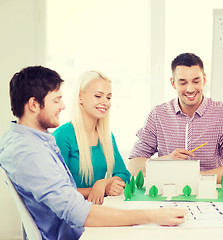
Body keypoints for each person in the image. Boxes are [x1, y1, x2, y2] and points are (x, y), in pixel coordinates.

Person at [0, 66, 186, 240]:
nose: (63, 106)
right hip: (73, 233)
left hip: (77, 228)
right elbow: (76, 211)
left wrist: (105, 185)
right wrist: (152, 216)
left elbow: (118, 176)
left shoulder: (32, 141)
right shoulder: (29, 152)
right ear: (33, 104)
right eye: (56, 100)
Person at [128, 53, 223, 183]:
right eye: (183, 82)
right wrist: (167, 160)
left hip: (210, 194)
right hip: (167, 193)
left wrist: (193, 177)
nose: (190, 89)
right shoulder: (158, 115)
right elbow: (134, 166)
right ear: (173, 83)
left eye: (196, 81)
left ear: (204, 80)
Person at [53, 71, 130, 205]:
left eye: (108, 97)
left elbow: (124, 175)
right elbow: (57, 190)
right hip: (71, 211)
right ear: (80, 97)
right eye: (98, 96)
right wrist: (99, 189)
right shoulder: (62, 136)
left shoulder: (107, 136)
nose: (105, 102)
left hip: (96, 208)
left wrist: (103, 183)